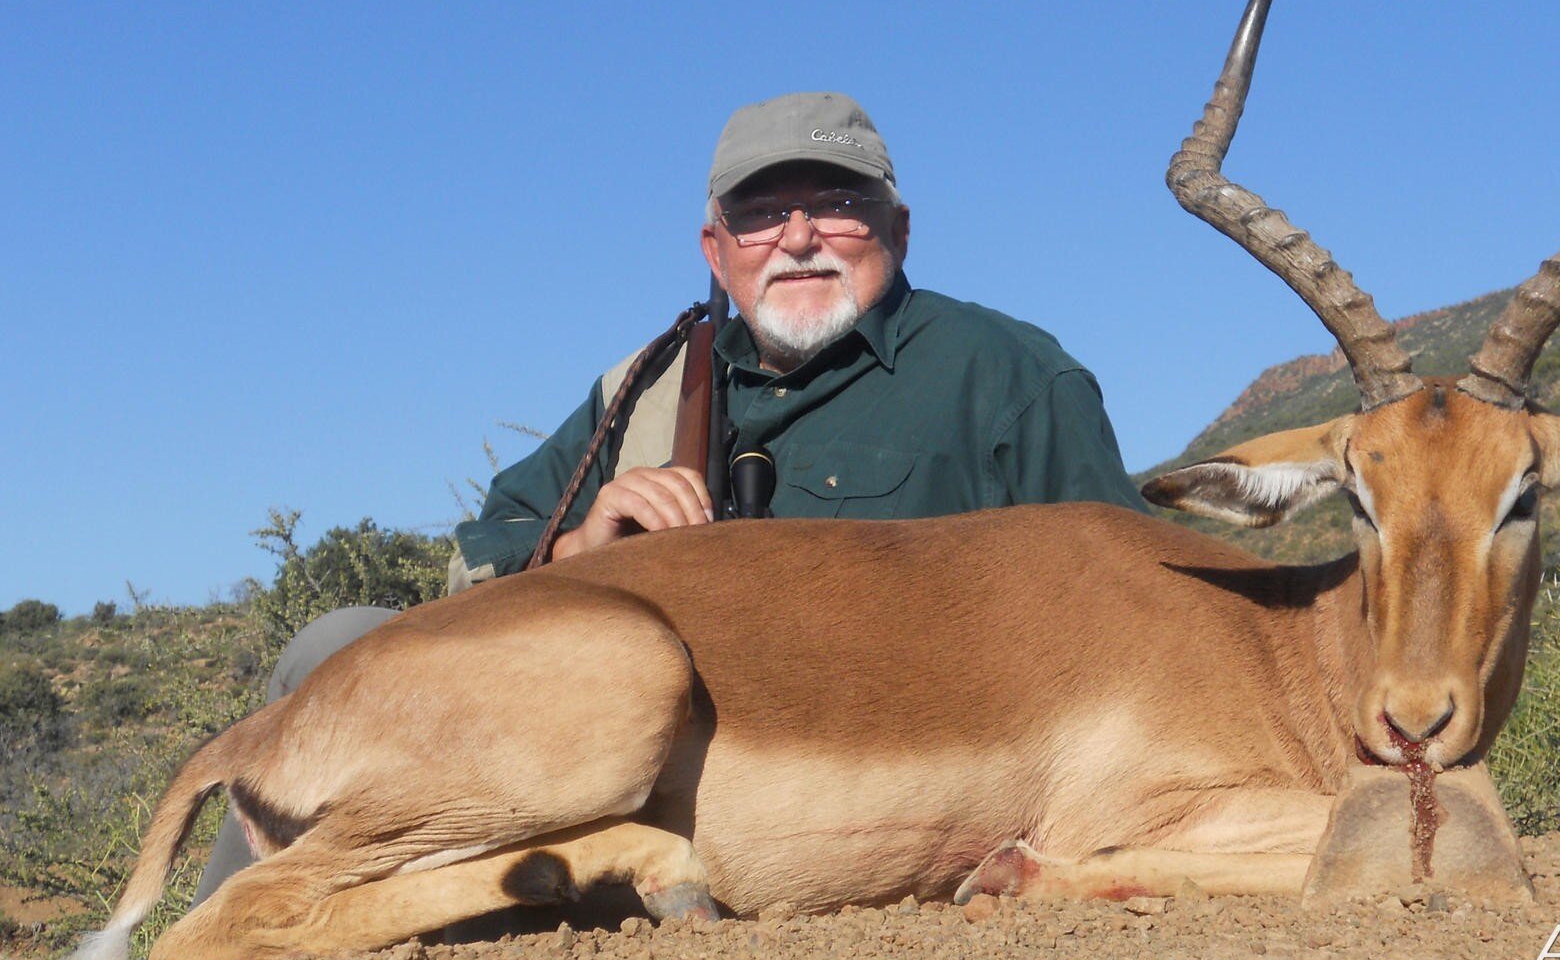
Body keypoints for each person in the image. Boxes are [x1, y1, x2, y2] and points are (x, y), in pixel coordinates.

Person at [194, 91, 1145, 904]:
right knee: (335, 645)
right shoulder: (644, 388)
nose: (801, 235)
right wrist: (579, 548)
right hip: (596, 751)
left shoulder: (1009, 374)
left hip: (848, 793)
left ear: (899, 228)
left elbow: (1133, 607)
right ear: (714, 244)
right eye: (762, 211)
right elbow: (482, 548)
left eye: (841, 204)